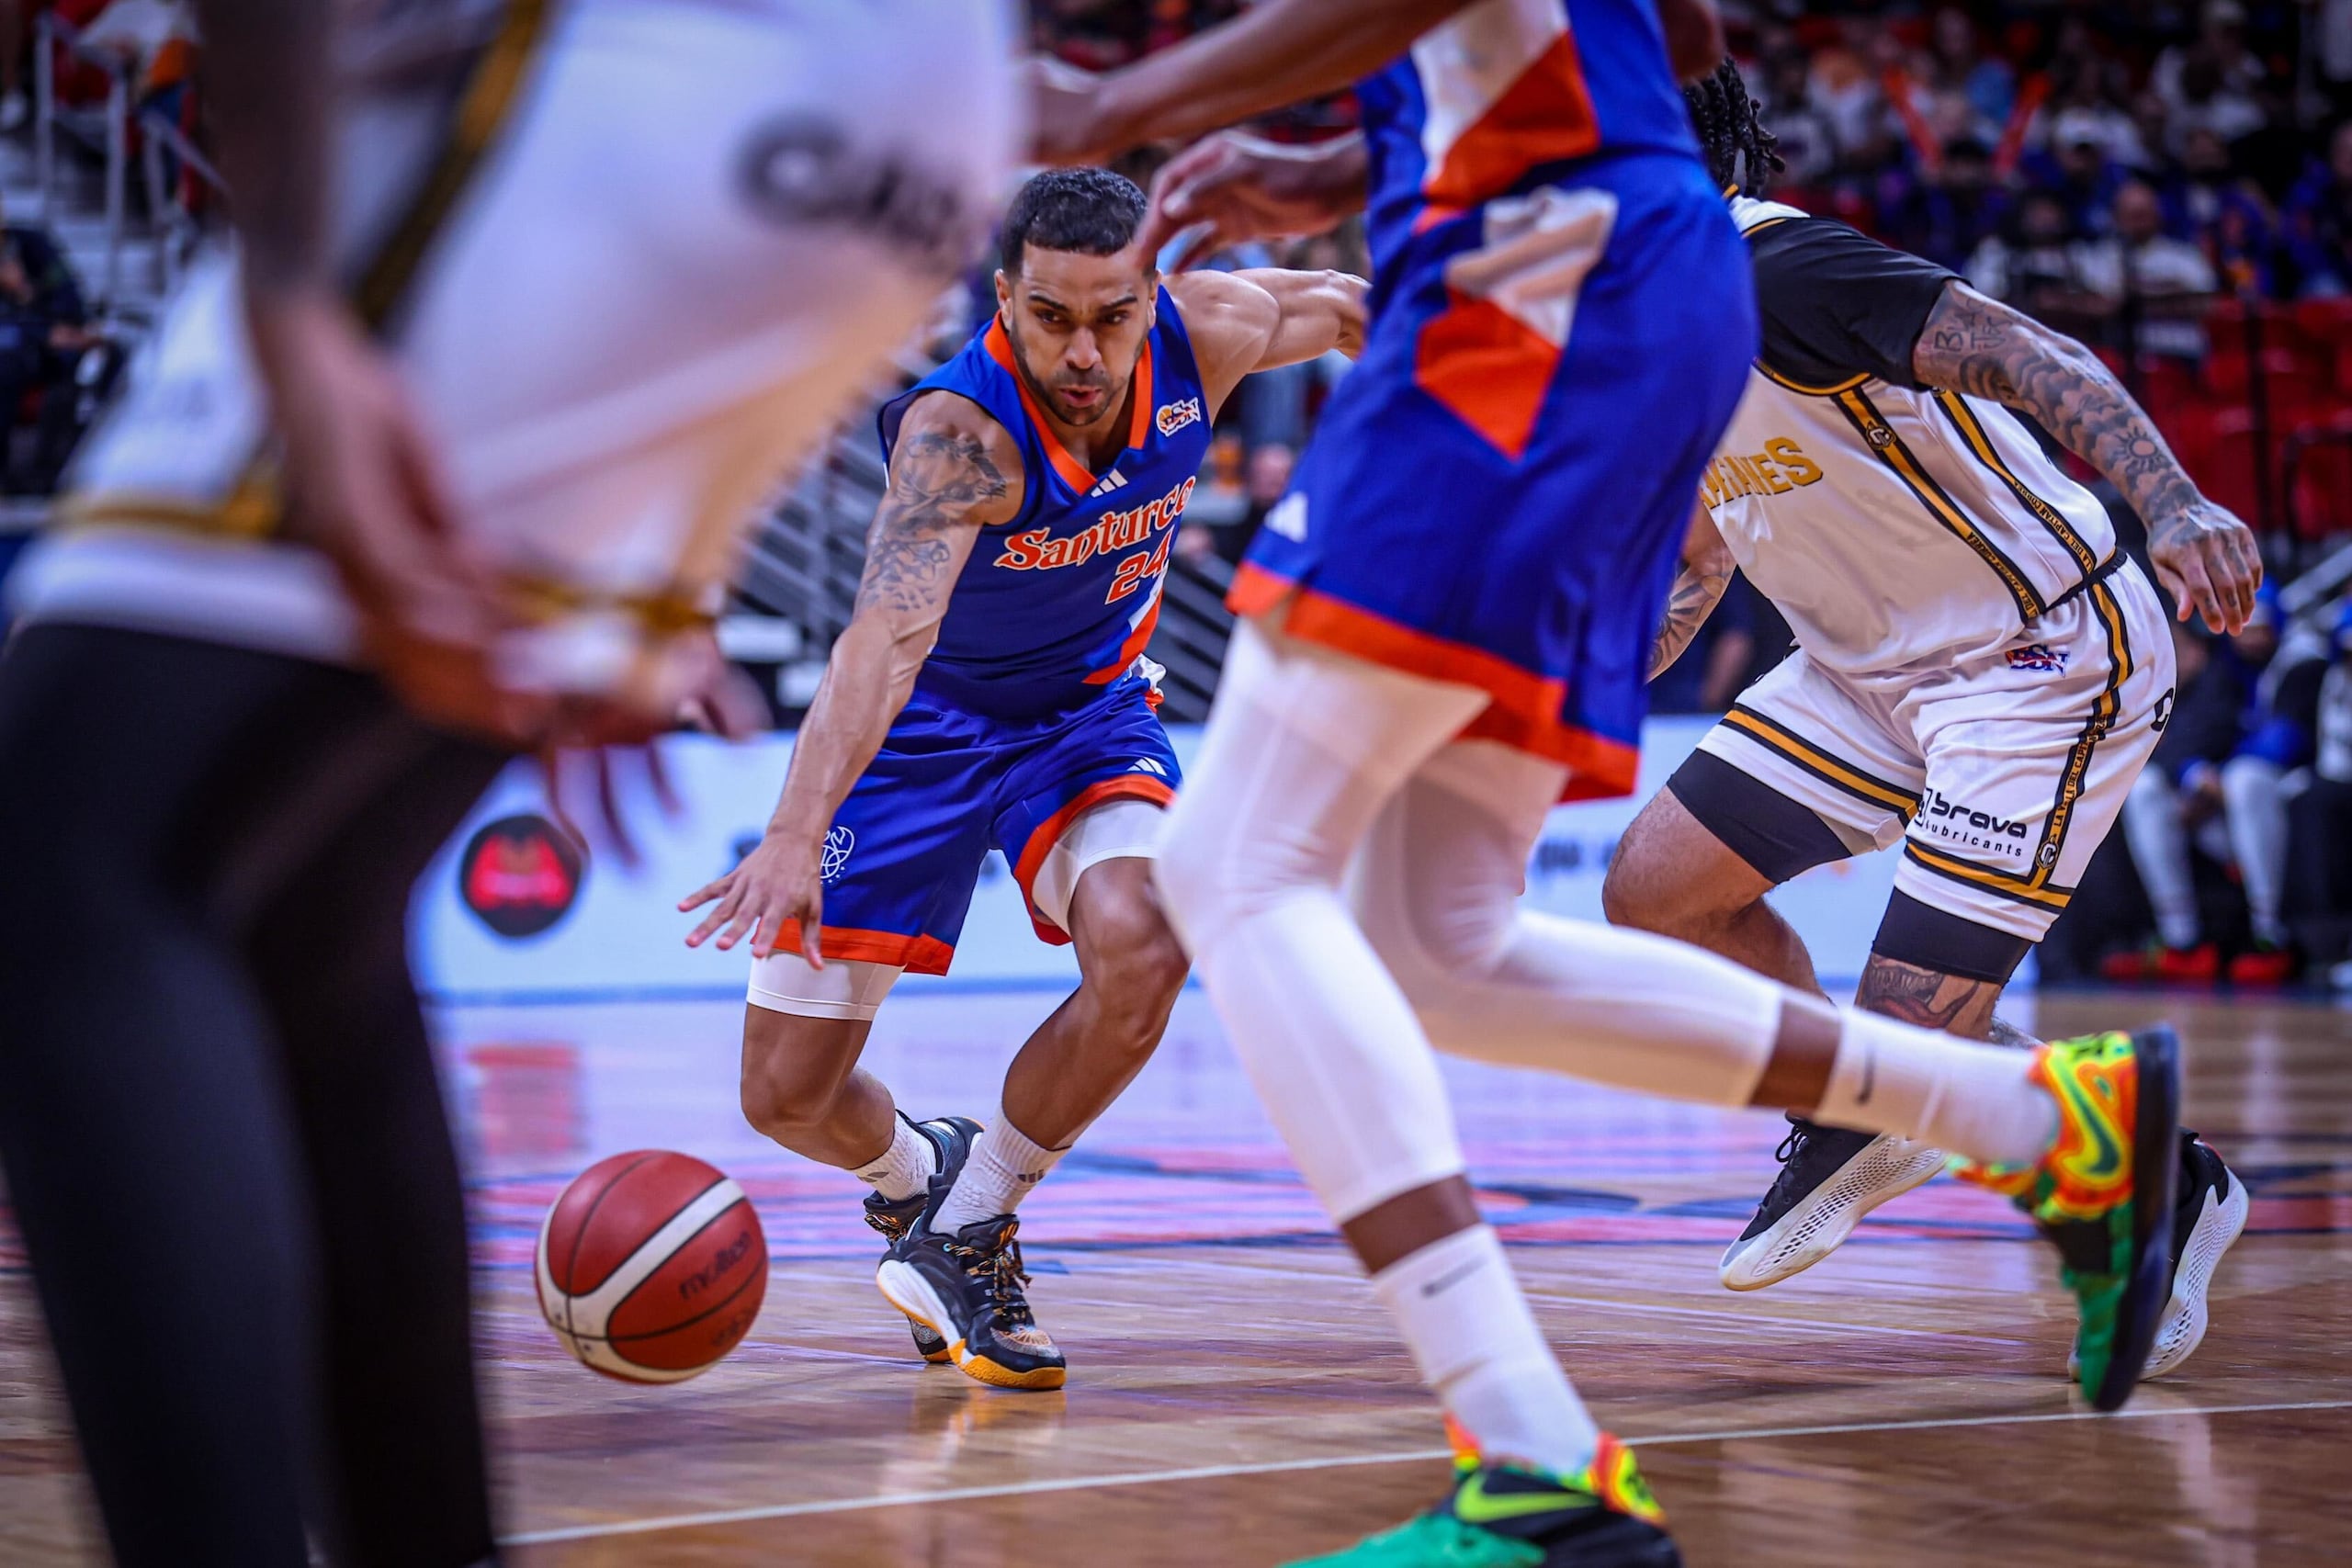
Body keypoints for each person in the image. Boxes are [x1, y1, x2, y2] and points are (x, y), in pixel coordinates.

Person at [1053, 14, 2187, 1567]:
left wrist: (1129, 97)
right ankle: (2044, 1123)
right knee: (1441, 938)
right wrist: (1336, 148)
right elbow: (1664, 31)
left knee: (1243, 876)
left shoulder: (1793, 256)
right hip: (1614, 313)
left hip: (1549, 310)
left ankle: (1534, 1460)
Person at [0, 3, 1019, 1564]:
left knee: (66, 872)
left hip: (613, 97)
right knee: (306, 935)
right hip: (890, 139)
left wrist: (287, 295)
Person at [1601, 64, 2257, 1385]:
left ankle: (2140, 1176)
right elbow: (1706, 548)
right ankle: (1958, 1115)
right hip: (1857, 674)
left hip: (2033, 657)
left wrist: (2175, 504)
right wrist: (1604, 671)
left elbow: (2036, 354)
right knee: (1655, 893)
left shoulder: (1777, 270)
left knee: (1903, 1048)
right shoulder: (1645, 324)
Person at [680, 167, 1365, 1393]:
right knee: (785, 1097)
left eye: (1113, 314)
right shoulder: (962, 438)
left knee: (1147, 943)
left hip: (1087, 716)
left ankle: (973, 1221)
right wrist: (794, 829)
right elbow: (882, 639)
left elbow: (1359, 305)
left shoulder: (1209, 330)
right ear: (1004, 297)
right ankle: (915, 1177)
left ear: (1152, 291)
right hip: (922, 728)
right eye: (1052, 316)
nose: (1086, 351)